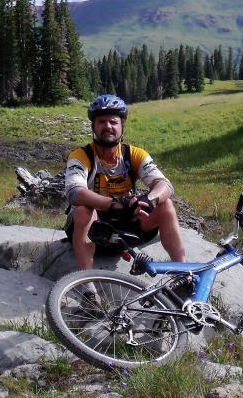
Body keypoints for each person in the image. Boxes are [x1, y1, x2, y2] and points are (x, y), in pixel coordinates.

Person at [63, 94, 186, 270]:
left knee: (165, 204)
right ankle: (86, 283)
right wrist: (114, 204)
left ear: (122, 126)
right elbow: (74, 192)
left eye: (113, 122)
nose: (108, 126)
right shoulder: (81, 156)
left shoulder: (134, 154)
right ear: (93, 127)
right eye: (101, 122)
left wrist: (148, 200)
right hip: (94, 231)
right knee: (83, 211)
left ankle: (183, 271)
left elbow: (164, 185)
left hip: (126, 227)